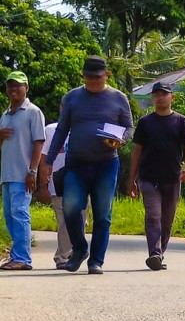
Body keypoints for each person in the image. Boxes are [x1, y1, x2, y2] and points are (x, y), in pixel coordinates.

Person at [45, 55, 133, 275]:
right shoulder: (72, 97)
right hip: (76, 163)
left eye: (97, 77)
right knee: (71, 207)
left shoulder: (119, 98)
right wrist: (49, 161)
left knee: (102, 214)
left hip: (106, 164)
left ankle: (96, 261)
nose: (93, 81)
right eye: (89, 77)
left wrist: (120, 140)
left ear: (107, 75)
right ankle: (79, 249)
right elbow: (62, 130)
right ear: (83, 76)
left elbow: (129, 127)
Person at [128, 81, 185, 271]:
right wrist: (132, 179)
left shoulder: (181, 122)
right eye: (156, 94)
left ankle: (159, 253)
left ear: (172, 97)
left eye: (164, 94)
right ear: (152, 98)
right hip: (148, 177)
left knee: (167, 220)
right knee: (153, 216)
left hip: (172, 178)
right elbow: (137, 151)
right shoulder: (145, 122)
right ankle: (154, 254)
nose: (160, 97)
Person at [0, 70, 46, 271]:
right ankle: (16, 256)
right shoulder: (5, 114)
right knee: (10, 216)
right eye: (10, 85)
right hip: (7, 174)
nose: (13, 89)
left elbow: (39, 143)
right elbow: (3, 146)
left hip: (23, 174)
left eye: (18, 85)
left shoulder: (33, 112)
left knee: (20, 213)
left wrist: (32, 171)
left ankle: (23, 259)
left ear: (26, 88)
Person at [38, 109, 89, 269]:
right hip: (58, 182)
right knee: (65, 222)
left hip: (83, 183)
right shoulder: (51, 130)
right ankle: (62, 257)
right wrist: (43, 185)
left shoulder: (85, 129)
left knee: (80, 221)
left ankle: (76, 252)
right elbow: (43, 159)